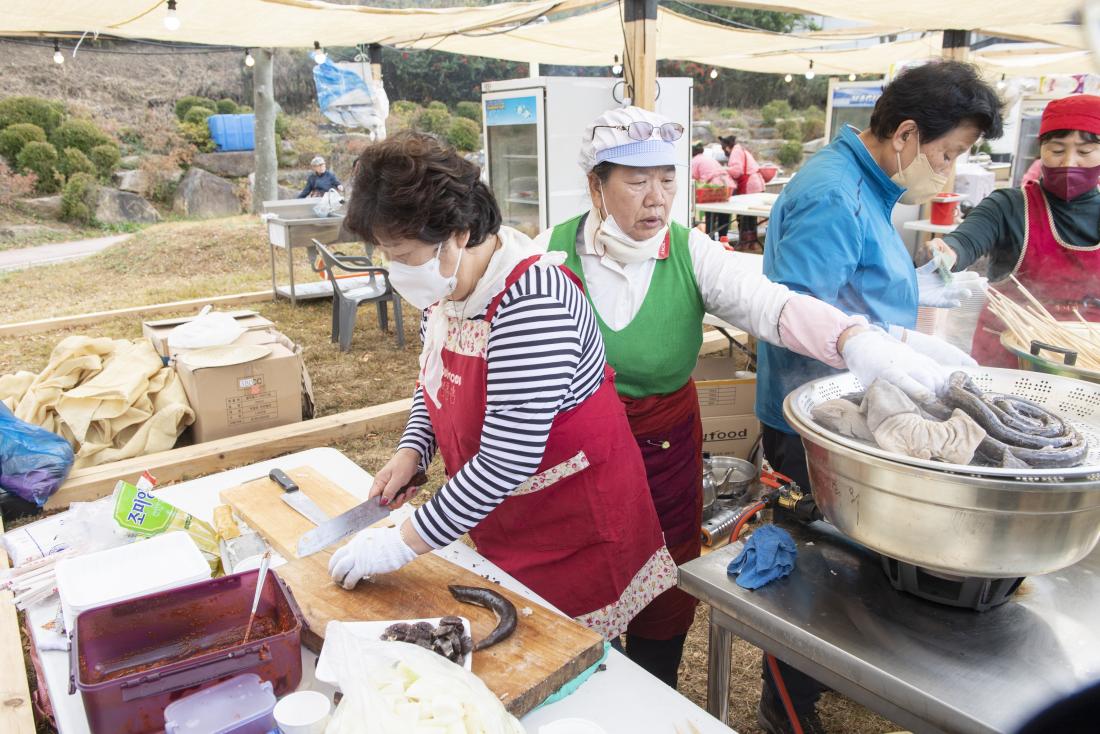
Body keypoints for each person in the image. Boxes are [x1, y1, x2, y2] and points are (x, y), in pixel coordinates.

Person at [533, 105, 976, 688]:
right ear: (596, 184)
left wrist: (855, 338)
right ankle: (586, 685)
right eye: (637, 181)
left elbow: (770, 303)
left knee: (663, 576)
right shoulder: (546, 257)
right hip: (578, 456)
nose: (657, 199)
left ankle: (654, 688)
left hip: (664, 448)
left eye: (667, 179)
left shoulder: (690, 253)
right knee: (584, 576)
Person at [328, 131, 676, 643]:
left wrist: (401, 543)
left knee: (574, 657)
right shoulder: (447, 289)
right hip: (506, 513)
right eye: (386, 253)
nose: (395, 269)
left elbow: (506, 459)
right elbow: (434, 382)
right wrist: (412, 450)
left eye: (402, 253)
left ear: (459, 233)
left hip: (577, 526)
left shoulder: (533, 304)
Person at [755, 60, 1003, 733]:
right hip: (816, 421)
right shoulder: (833, 194)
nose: (948, 170)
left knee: (847, 567)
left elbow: (856, 286)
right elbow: (800, 314)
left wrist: (907, 319)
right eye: (948, 153)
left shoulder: (869, 183)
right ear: (906, 133)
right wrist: (891, 338)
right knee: (814, 574)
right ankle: (787, 707)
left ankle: (820, 677)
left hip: (862, 408)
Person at [926, 94, 1100, 367]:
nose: (1069, 162)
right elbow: (965, 242)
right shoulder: (1009, 206)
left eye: (1085, 152)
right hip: (1010, 359)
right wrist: (947, 252)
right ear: (1040, 151)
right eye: (1056, 150)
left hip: (1088, 364)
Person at [719, 135, 765, 246]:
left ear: (727, 147)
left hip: (749, 184)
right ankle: (752, 243)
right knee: (751, 216)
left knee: (743, 215)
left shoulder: (735, 152)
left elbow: (737, 171)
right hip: (756, 183)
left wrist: (723, 169)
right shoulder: (741, 149)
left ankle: (744, 243)